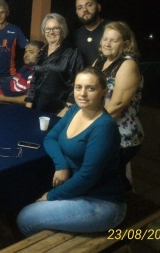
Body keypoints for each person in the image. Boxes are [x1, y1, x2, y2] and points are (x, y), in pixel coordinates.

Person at [17, 67, 126, 237]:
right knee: (25, 193)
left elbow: (87, 177)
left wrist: (51, 196)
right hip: (79, 191)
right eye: (78, 87)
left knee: (25, 218)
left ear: (104, 92)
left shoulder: (104, 127)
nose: (82, 93)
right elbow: (50, 138)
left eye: (90, 88)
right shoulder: (76, 109)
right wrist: (62, 165)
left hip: (102, 202)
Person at [93, 21, 144, 190]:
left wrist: (87, 124)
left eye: (113, 40)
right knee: (112, 174)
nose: (107, 43)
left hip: (123, 136)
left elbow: (118, 103)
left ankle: (123, 206)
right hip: (103, 129)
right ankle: (124, 202)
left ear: (126, 44)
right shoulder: (99, 62)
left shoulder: (128, 64)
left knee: (109, 174)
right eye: (105, 39)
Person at [25, 13, 84, 114]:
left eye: (55, 28)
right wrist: (28, 105)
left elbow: (78, 83)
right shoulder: (42, 52)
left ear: (62, 29)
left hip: (59, 110)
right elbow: (34, 80)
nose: (51, 32)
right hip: (37, 107)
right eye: (47, 29)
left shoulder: (72, 52)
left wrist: (66, 110)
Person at [0, 41, 43, 105]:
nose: (26, 55)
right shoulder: (25, 67)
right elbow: (11, 86)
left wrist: (2, 99)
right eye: (26, 52)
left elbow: (28, 99)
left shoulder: (34, 73)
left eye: (31, 52)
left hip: (4, 103)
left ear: (40, 55)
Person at [73, 0, 108, 66]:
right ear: (77, 12)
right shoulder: (75, 36)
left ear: (98, 7)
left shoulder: (112, 29)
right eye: (80, 7)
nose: (84, 10)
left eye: (89, 5)